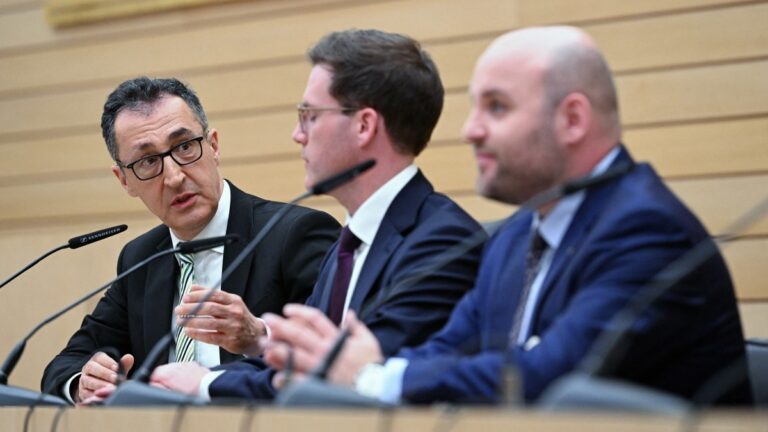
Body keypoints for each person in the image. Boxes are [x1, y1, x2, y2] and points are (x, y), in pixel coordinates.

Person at [261, 26, 753, 405]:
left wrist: (372, 376)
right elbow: (450, 348)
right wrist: (360, 368)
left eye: (496, 108)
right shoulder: (516, 235)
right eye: (474, 107)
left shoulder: (647, 231)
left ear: (572, 119)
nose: (471, 130)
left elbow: (545, 379)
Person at [148, 29, 484, 401]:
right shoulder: (349, 243)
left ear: (364, 125)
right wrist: (200, 377)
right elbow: (298, 359)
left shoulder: (441, 241)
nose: (297, 134)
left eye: (309, 116)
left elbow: (340, 374)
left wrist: (205, 384)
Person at [41, 77, 340, 404]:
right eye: (148, 162)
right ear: (124, 180)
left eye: (184, 147)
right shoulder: (141, 257)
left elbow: (332, 359)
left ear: (213, 146)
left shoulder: (294, 234)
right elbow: (67, 362)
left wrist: (257, 336)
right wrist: (82, 381)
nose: (174, 177)